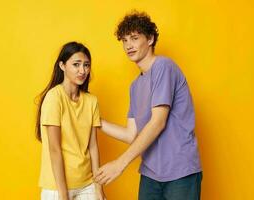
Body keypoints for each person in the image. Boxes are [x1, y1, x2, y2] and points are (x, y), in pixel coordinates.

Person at [95, 11, 202, 200]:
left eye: (134, 38)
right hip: (151, 174)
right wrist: (96, 121)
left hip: (179, 172)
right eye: (125, 40)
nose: (129, 45)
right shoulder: (135, 86)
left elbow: (158, 122)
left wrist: (120, 164)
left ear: (150, 38)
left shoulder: (163, 66)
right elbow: (131, 134)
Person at [35, 42, 105, 200]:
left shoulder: (91, 101)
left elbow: (93, 147)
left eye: (86, 65)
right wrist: (63, 194)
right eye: (76, 64)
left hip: (87, 184)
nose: (82, 71)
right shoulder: (54, 98)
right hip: (57, 187)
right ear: (62, 65)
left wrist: (99, 189)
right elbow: (55, 149)